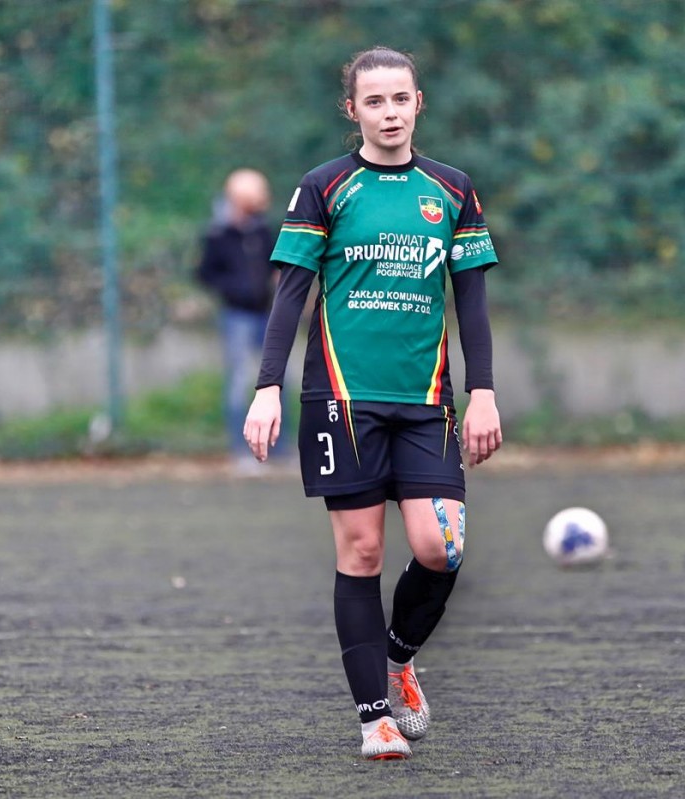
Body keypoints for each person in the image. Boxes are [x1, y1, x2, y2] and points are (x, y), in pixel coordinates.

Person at [243, 46, 502, 760]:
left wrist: (482, 392)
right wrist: (267, 386)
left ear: (419, 104)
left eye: (400, 99)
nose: (389, 113)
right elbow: (290, 296)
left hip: (427, 402)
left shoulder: (452, 190)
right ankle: (373, 718)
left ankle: (398, 657)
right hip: (341, 399)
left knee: (440, 547)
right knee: (361, 551)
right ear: (351, 110)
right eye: (374, 101)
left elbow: (472, 303)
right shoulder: (325, 187)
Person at [196, 168, 280, 472]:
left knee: (277, 380)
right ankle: (242, 451)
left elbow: (275, 263)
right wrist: (234, 289)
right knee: (239, 381)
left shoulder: (262, 229)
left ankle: (279, 450)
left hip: (266, 313)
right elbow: (205, 273)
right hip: (237, 316)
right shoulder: (218, 234)